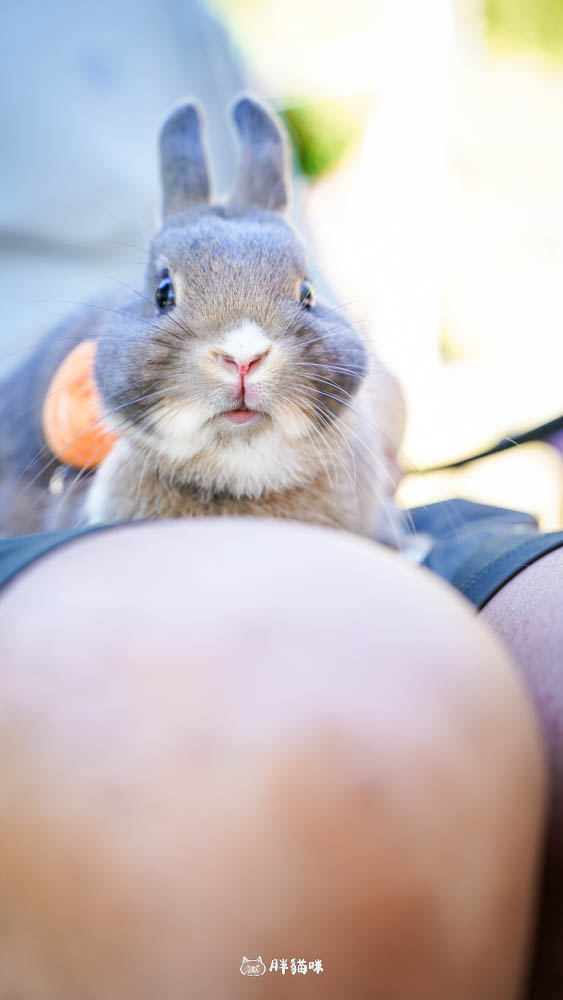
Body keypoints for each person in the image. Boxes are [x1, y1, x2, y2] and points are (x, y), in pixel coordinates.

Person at [1, 1, 562, 995]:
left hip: (334, 481)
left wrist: (371, 399)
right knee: (302, 717)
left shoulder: (181, 28)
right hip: (68, 483)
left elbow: (289, 275)